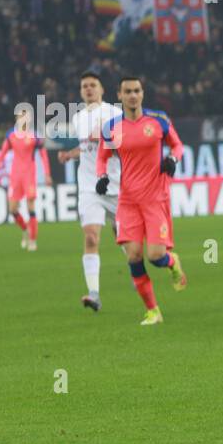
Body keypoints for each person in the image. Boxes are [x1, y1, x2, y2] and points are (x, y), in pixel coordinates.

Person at [95, 75, 187, 325]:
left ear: (142, 93)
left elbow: (178, 146)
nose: (133, 95)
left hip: (155, 198)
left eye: (137, 90)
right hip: (128, 201)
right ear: (120, 95)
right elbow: (102, 157)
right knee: (134, 256)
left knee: (156, 256)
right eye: (128, 91)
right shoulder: (111, 128)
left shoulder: (159, 121)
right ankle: (153, 311)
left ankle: (172, 261)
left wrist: (173, 160)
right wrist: (102, 176)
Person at [57, 70, 122, 311]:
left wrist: (106, 139)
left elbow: (123, 148)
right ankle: (94, 294)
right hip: (88, 187)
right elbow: (86, 148)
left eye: (93, 85)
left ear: (102, 89)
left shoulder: (115, 113)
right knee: (91, 237)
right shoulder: (78, 118)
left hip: (115, 186)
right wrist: (69, 155)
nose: (88, 89)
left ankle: (138, 277)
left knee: (126, 242)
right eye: (84, 86)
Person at [0, 109, 50, 251]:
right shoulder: (11, 135)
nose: (22, 119)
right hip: (15, 176)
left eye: (25, 117)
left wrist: (47, 174)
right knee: (12, 209)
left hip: (29, 175)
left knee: (31, 208)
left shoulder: (35, 136)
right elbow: (2, 153)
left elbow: (43, 155)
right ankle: (25, 229)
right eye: (20, 117)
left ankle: (33, 241)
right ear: (16, 119)